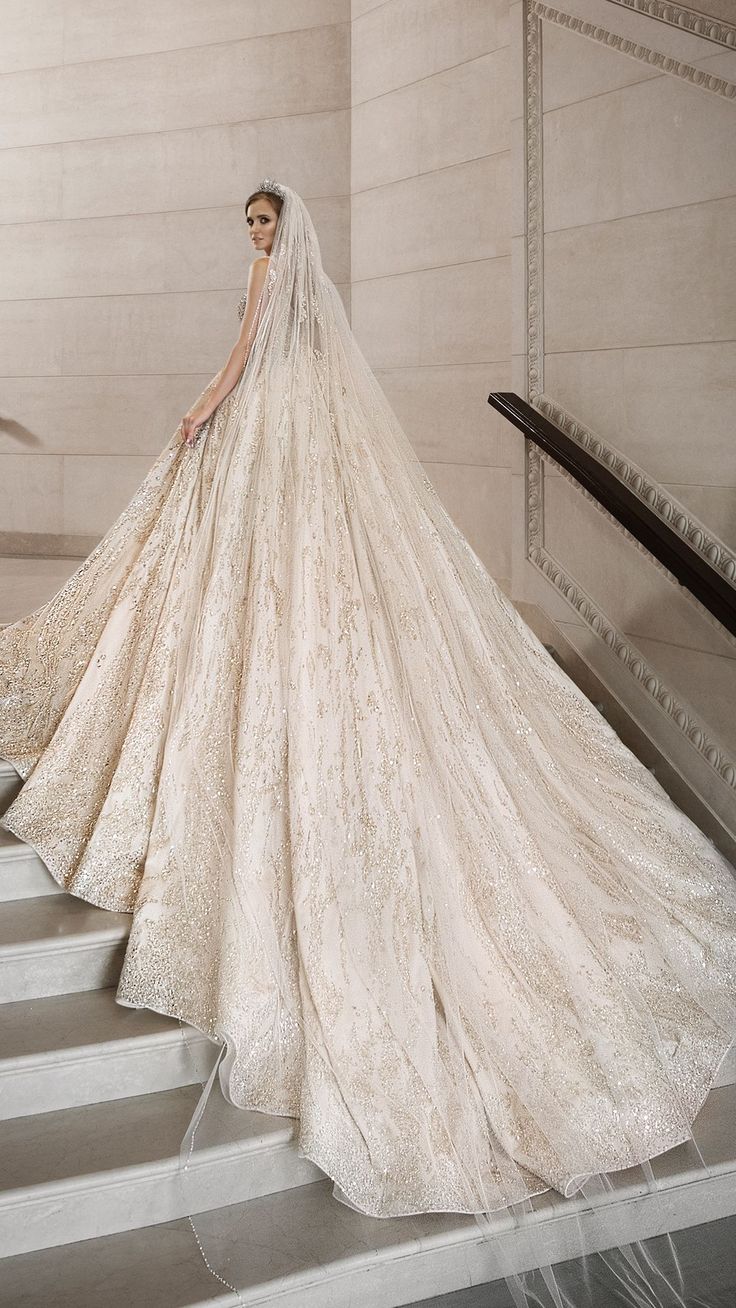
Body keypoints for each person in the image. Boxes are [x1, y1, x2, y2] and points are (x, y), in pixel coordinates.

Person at [0, 179, 735, 1303]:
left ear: (279, 234)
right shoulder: (326, 323)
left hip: (263, 441)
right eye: (248, 224)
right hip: (306, 446)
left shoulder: (266, 287)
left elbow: (243, 355)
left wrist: (200, 411)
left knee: (257, 583)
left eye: (262, 223)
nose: (255, 238)